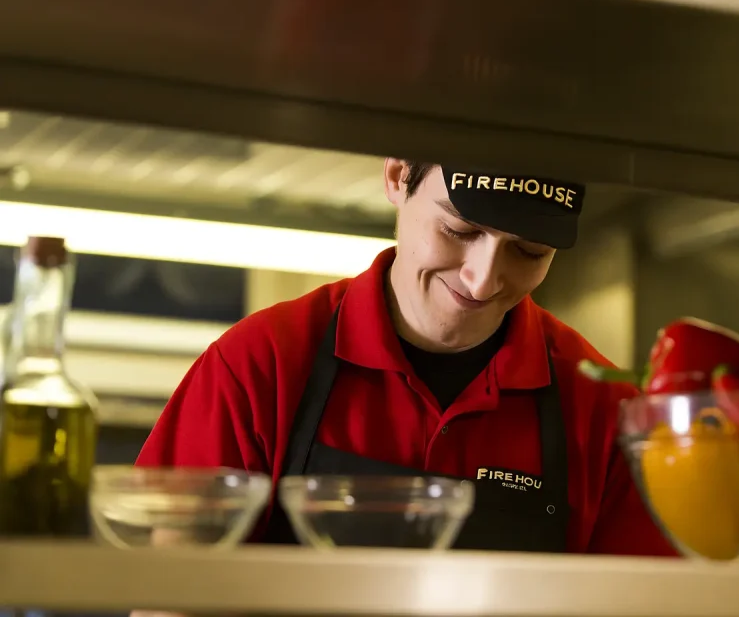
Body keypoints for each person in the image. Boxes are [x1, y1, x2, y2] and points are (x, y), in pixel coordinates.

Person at [136, 158, 676, 556]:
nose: (483, 278)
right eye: (459, 230)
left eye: (528, 251)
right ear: (398, 177)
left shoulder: (605, 407)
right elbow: (176, 595)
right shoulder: (262, 364)